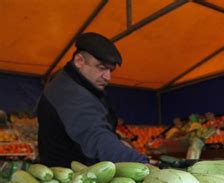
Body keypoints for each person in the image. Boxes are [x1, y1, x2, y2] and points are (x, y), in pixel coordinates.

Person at [37, 32, 148, 167]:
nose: (108, 77)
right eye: (101, 68)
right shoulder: (69, 93)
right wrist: (140, 163)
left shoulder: (78, 83)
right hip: (69, 178)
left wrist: (117, 141)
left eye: (110, 71)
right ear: (79, 61)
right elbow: (96, 136)